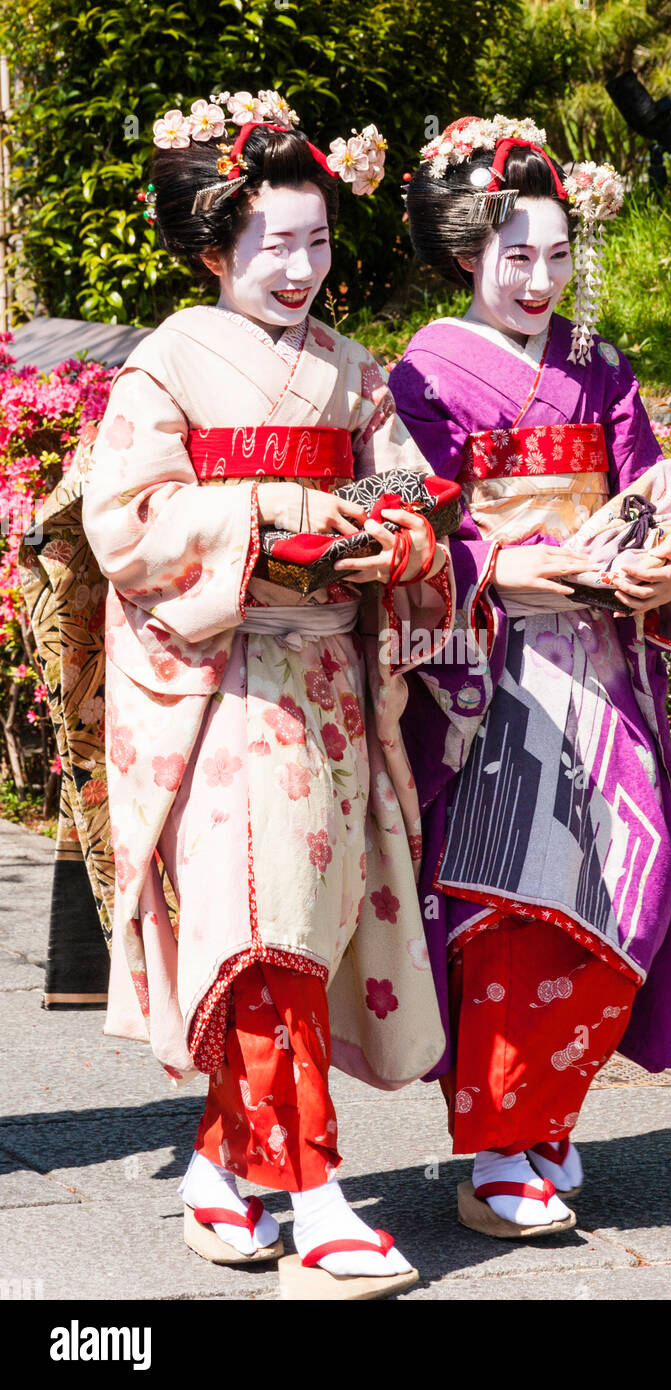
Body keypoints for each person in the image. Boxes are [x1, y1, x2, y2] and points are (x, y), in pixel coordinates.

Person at [53, 89, 456, 1289]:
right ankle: (319, 1194)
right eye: (274, 244)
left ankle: (228, 1163)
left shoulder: (351, 372)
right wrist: (267, 513)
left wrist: (403, 544)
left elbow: (412, 493)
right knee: (261, 926)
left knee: (311, 927)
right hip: (222, 676)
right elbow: (123, 523)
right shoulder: (167, 362)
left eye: (318, 242)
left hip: (330, 672)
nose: (300, 268)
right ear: (213, 244)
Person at [389, 115, 671, 1237]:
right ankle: (492, 1145)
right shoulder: (422, 374)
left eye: (555, 255)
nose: (539, 280)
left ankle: (547, 1116)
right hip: (496, 666)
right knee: (508, 892)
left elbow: (647, 489)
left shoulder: (599, 366)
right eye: (512, 257)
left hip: (604, 659)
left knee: (629, 870)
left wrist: (666, 563)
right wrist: (512, 569)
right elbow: (420, 527)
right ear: (462, 258)